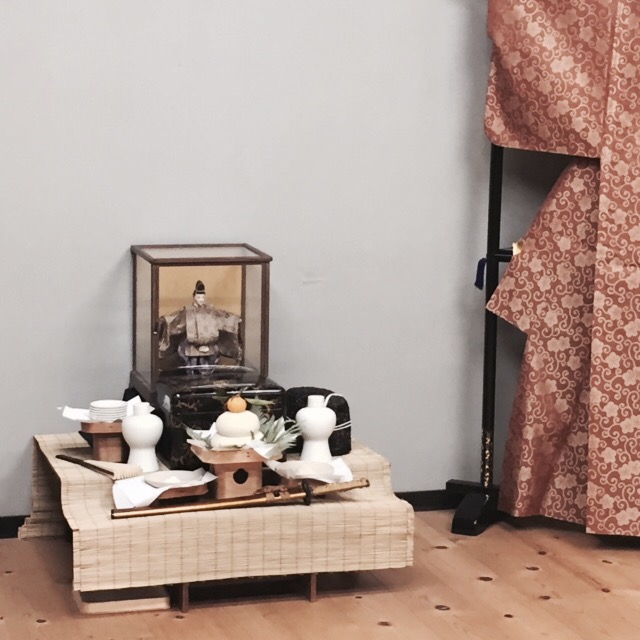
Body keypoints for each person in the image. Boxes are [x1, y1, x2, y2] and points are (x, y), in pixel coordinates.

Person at [158, 280, 242, 368]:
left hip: (210, 345)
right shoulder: (188, 310)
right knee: (191, 366)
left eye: (202, 297)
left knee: (208, 367)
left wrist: (236, 319)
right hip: (191, 346)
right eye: (198, 297)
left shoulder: (210, 310)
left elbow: (223, 316)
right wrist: (165, 320)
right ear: (194, 297)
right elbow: (176, 318)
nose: (201, 300)